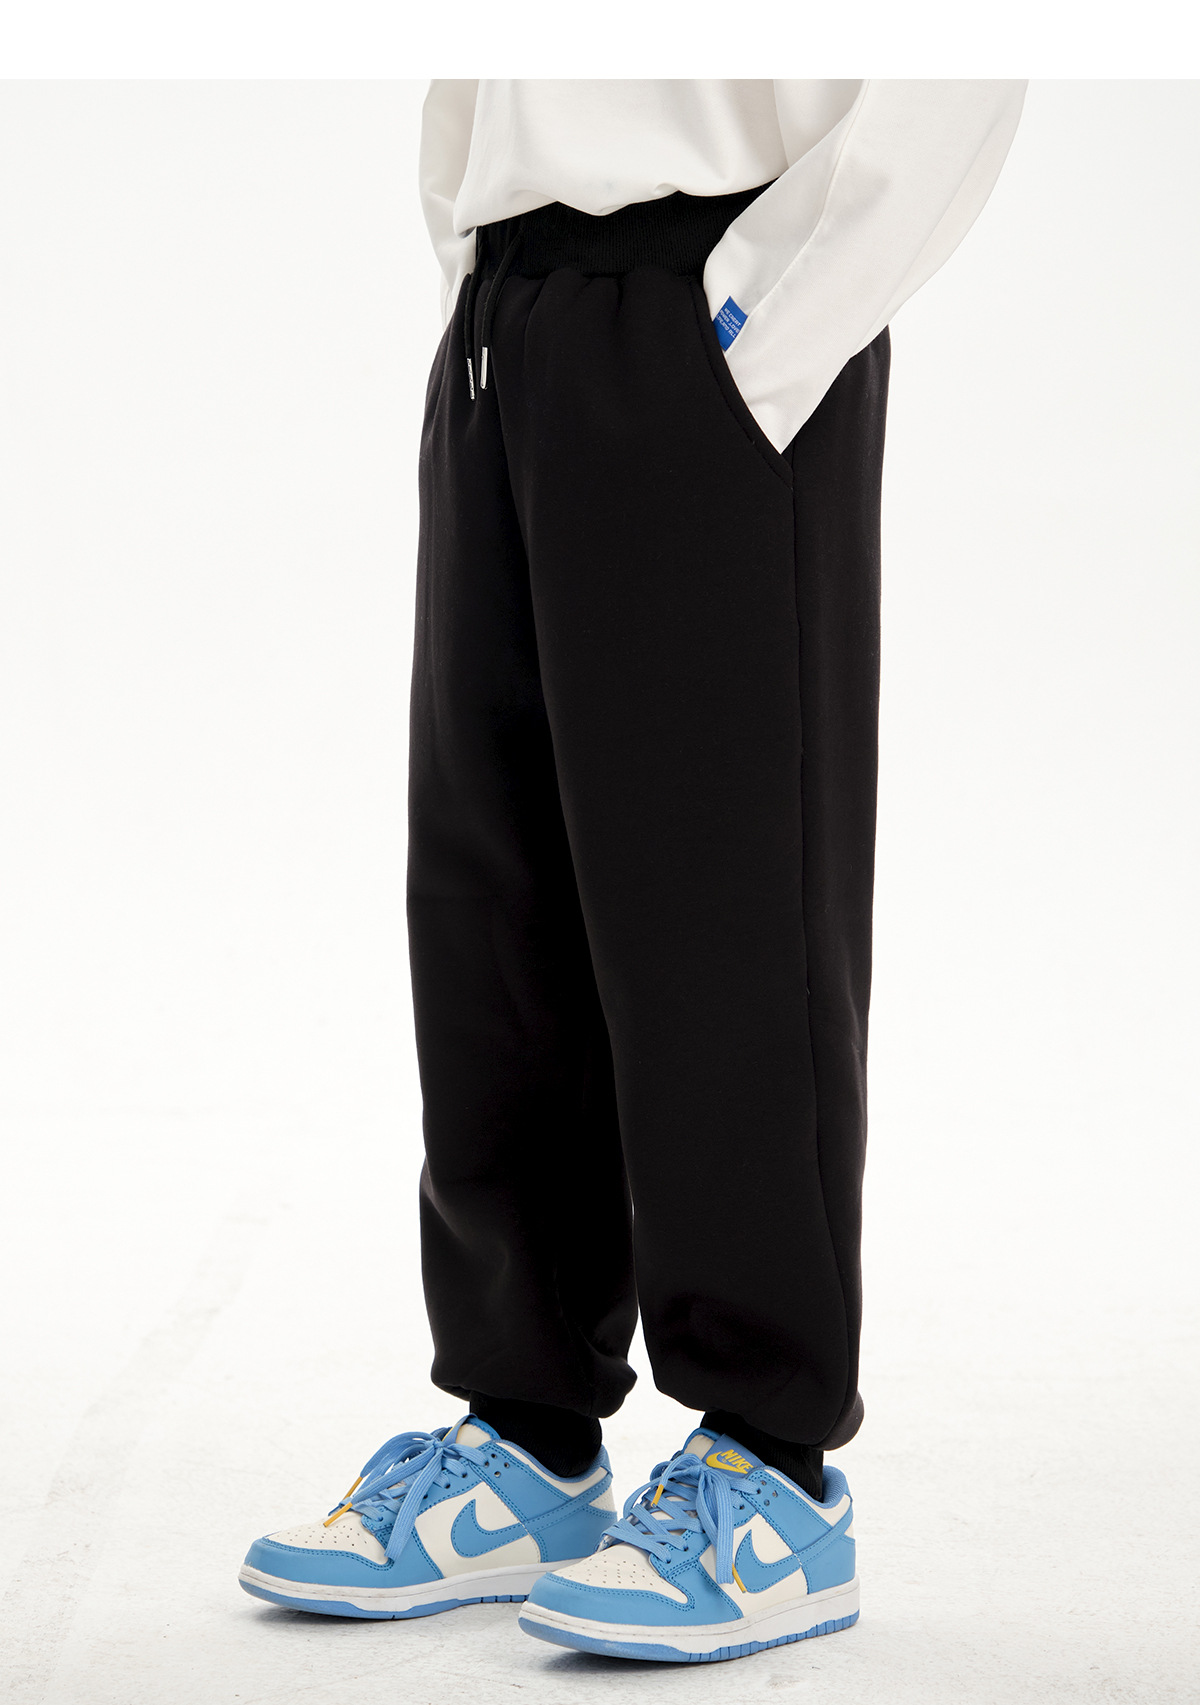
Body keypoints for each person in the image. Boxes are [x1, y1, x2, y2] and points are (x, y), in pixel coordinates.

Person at [238, 78, 1026, 1662]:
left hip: (720, 293)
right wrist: (476, 268)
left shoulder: (741, 320)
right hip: (510, 307)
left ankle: (775, 1469)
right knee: (495, 898)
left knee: (722, 905)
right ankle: (526, 1430)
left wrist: (767, 320)